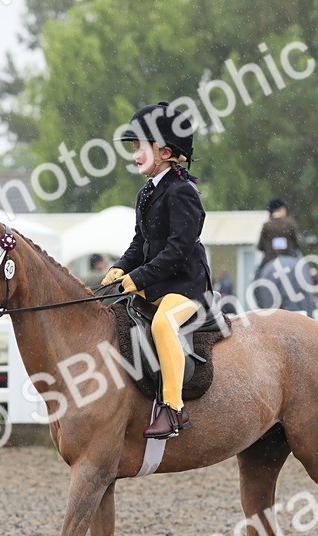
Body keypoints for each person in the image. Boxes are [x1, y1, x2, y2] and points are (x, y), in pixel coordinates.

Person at [102, 100, 212, 439]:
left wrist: (137, 278)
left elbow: (177, 251)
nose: (134, 153)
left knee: (164, 326)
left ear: (164, 152)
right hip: (155, 284)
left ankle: (173, 409)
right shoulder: (147, 192)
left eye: (139, 147)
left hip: (186, 287)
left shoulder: (183, 192)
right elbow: (141, 243)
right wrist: (119, 269)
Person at [257, 197, 301, 266]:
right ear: (281, 209)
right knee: (304, 269)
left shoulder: (266, 226)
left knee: (258, 273)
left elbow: (260, 247)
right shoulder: (290, 224)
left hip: (269, 261)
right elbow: (297, 244)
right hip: (290, 258)